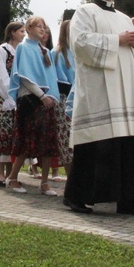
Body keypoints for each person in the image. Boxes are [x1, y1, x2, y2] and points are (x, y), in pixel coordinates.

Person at [63, 0, 134, 216]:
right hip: (100, 90)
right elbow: (80, 44)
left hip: (126, 89)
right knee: (97, 143)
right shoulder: (84, 12)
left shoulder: (125, 17)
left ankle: (129, 200)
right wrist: (117, 40)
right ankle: (78, 197)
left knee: (129, 145)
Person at [5, 17, 61, 196]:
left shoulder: (45, 51)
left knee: (47, 142)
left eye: (44, 27)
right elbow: (24, 76)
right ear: (28, 28)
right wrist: (42, 95)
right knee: (25, 140)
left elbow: (51, 77)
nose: (43, 30)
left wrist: (51, 96)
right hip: (30, 99)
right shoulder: (23, 47)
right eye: (39, 26)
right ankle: (12, 178)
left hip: (47, 100)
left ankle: (44, 183)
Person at [0, 22, 25, 185]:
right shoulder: (2, 50)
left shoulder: (22, 52)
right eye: (21, 31)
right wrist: (9, 96)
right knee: (3, 134)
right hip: (4, 99)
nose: (24, 34)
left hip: (19, 97)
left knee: (14, 135)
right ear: (12, 33)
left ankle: (11, 172)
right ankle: (1, 172)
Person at [52, 19, 75, 181]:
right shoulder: (57, 53)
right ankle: (71, 177)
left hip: (81, 98)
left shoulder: (80, 52)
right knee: (66, 138)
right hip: (63, 99)